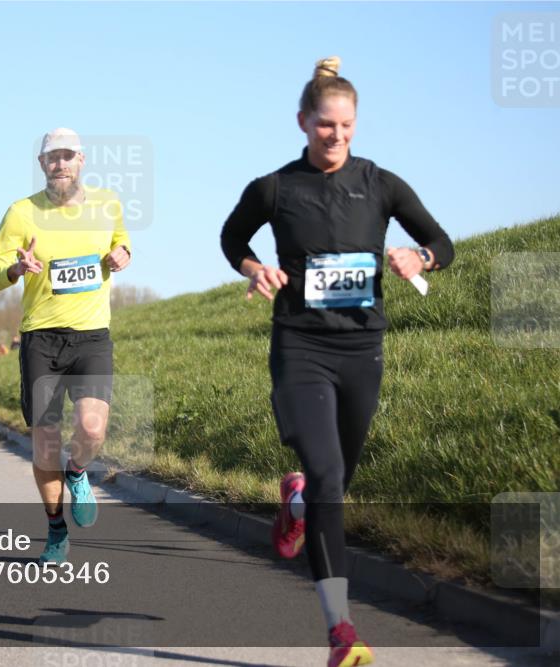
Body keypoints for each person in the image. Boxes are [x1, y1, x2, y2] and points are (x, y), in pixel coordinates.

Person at [220, 57, 454, 667]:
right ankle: (341, 633)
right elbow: (231, 238)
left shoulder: (382, 184)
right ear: (303, 121)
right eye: (327, 125)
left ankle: (294, 502)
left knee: (333, 485)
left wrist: (419, 259)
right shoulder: (275, 188)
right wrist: (255, 268)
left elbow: (442, 242)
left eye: (347, 126)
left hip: (362, 349)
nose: (338, 137)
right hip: (300, 346)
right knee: (329, 478)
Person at [0, 127, 131, 564]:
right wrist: (14, 268)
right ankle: (55, 528)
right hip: (41, 339)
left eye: (68, 156)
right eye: (52, 157)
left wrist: (124, 253)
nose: (60, 163)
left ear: (81, 159)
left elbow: (120, 242)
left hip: (91, 336)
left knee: (92, 428)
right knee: (45, 442)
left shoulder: (107, 204)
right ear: (42, 164)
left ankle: (79, 471)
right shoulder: (21, 213)